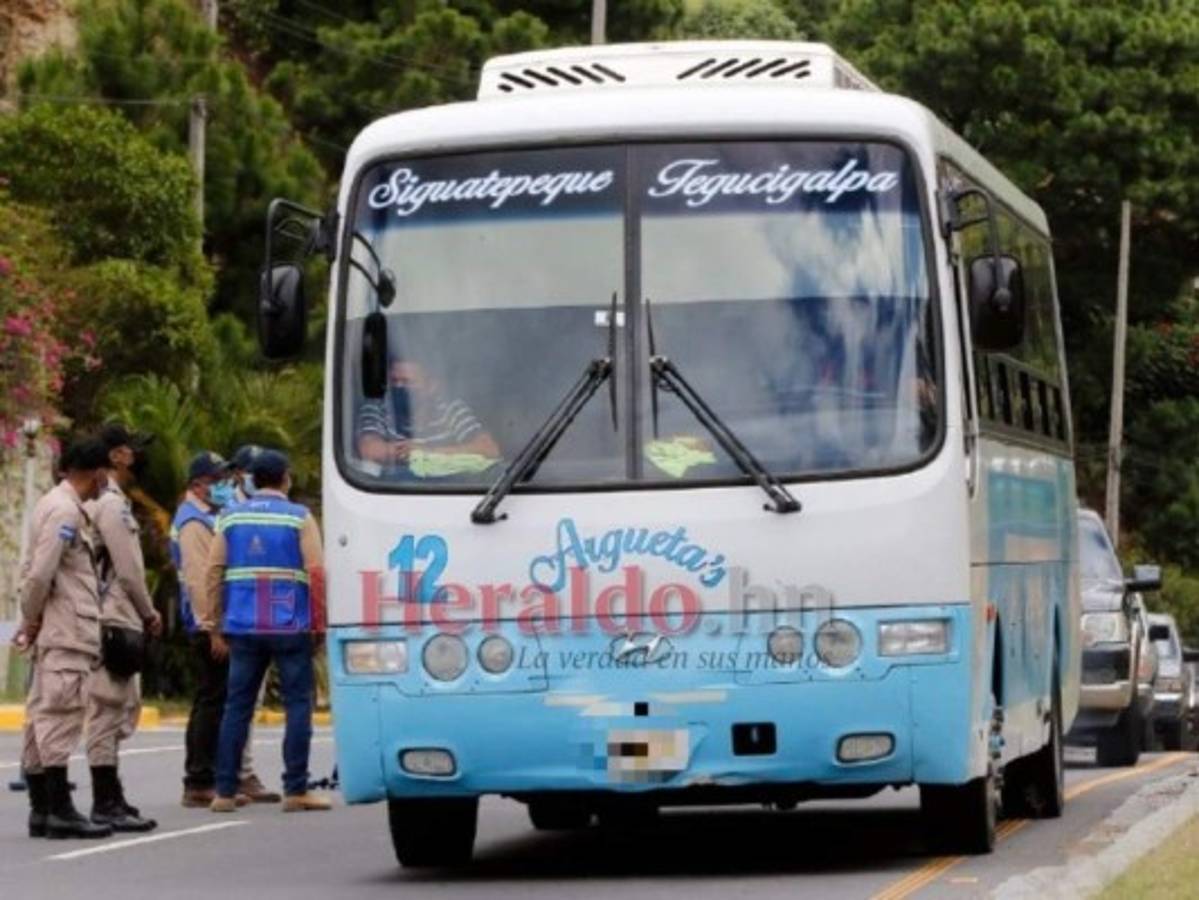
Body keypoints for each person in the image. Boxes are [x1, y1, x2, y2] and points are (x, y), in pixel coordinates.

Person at [205, 450, 331, 813]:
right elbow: (317, 573)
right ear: (286, 479)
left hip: (243, 624)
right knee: (297, 705)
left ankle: (225, 792)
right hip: (289, 624)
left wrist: (214, 623)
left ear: (251, 481)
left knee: (236, 708)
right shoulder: (299, 517)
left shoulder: (229, 518)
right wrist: (318, 623)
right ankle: (295, 790)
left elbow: (214, 572)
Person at [170, 452, 277, 808]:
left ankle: (211, 777)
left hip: (215, 620)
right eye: (216, 479)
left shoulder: (208, 516)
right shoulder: (193, 523)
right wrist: (213, 627)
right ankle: (199, 780)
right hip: (206, 622)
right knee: (211, 702)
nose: (224, 485)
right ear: (196, 484)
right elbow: (202, 580)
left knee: (215, 700)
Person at [18, 437, 113, 839]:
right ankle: (58, 809)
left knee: (42, 715)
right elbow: (40, 574)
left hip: (57, 627)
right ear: (97, 473)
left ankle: (42, 810)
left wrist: (34, 619)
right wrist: (31, 618)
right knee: (59, 715)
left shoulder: (54, 504)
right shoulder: (65, 512)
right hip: (66, 630)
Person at [82, 424, 163, 832]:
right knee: (107, 708)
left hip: (113, 613)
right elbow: (128, 571)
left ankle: (112, 796)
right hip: (113, 615)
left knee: (117, 709)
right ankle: (104, 800)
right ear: (116, 456)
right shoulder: (111, 506)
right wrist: (149, 611)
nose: (138, 457)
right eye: (133, 451)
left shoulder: (108, 502)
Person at [356, 358, 498, 469]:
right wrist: (407, 451)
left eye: (407, 382)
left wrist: (426, 452)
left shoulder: (451, 409)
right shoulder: (377, 407)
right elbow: (369, 450)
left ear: (431, 386)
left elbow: (489, 449)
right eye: (394, 381)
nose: (399, 387)